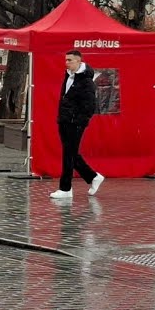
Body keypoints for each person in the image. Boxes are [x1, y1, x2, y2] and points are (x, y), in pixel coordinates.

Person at [49, 50, 104, 200]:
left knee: (69, 154)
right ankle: (93, 177)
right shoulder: (68, 76)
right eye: (66, 60)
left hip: (75, 123)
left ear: (79, 61)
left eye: (70, 60)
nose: (66, 63)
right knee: (70, 153)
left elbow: (90, 106)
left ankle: (65, 188)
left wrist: (79, 121)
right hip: (64, 120)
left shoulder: (86, 82)